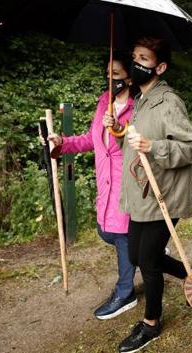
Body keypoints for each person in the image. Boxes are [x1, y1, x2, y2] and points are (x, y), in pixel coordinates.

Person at [103, 36, 192, 353]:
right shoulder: (140, 99)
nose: (135, 64)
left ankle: (151, 324)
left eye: (143, 59)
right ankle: (191, 275)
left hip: (164, 194)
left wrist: (155, 147)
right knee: (136, 254)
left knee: (146, 260)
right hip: (141, 195)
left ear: (160, 67)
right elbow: (132, 146)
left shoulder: (168, 101)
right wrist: (117, 129)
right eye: (134, 57)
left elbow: (191, 147)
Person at [48, 52, 136, 320]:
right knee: (106, 232)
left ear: (129, 78)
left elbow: (138, 144)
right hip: (105, 181)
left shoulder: (139, 106)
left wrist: (119, 127)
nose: (110, 79)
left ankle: (125, 292)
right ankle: (150, 253)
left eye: (116, 75)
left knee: (122, 236)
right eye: (107, 73)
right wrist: (63, 143)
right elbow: (91, 139)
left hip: (127, 182)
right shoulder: (103, 102)